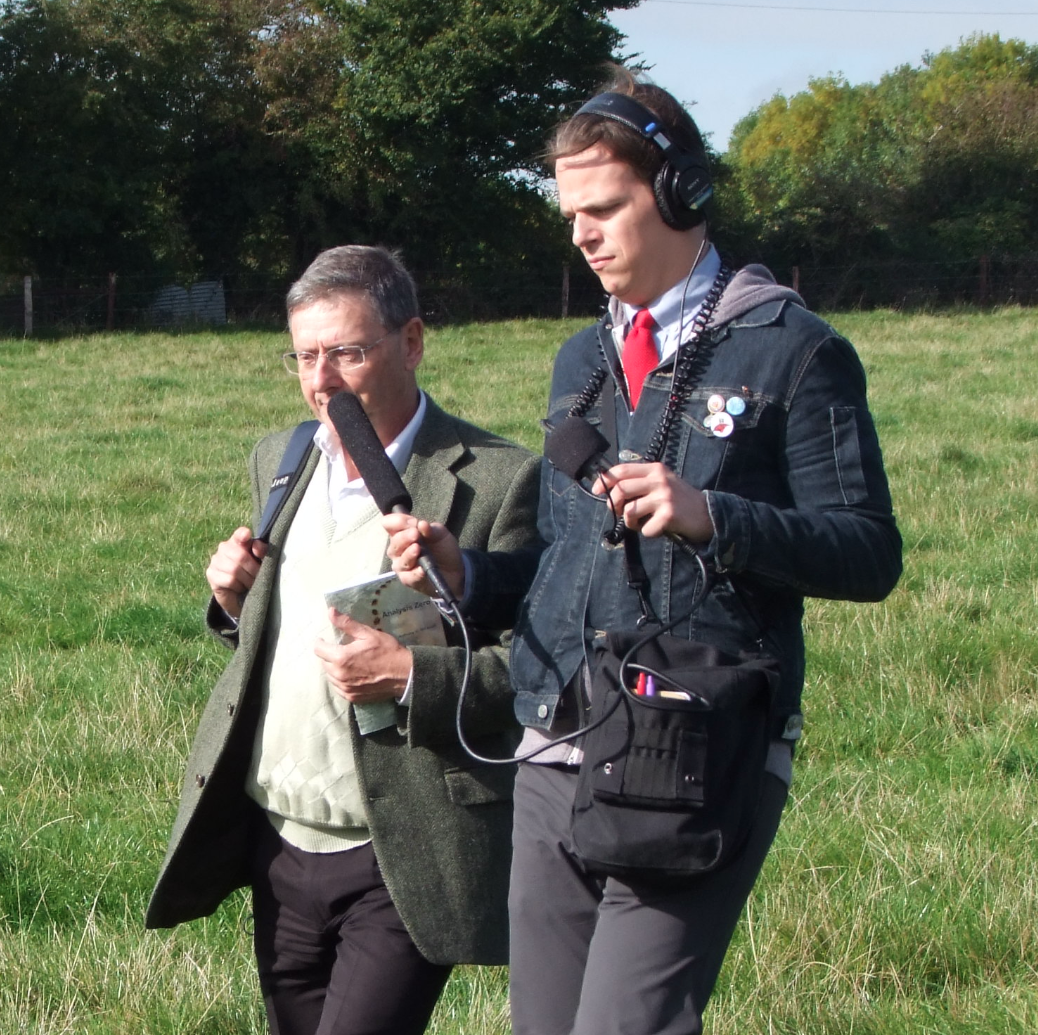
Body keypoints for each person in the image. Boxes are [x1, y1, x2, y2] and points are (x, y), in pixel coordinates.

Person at [391, 68, 902, 1035]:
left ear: (679, 194)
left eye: (603, 207)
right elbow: (561, 557)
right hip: (556, 737)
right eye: (569, 214)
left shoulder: (791, 349)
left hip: (697, 740)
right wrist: (472, 575)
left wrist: (715, 514)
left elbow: (868, 553)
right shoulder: (582, 360)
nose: (581, 234)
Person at [145, 245, 540, 1035]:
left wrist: (409, 675)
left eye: (348, 353)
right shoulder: (282, 459)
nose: (323, 379)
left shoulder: (498, 480)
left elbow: (541, 672)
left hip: (399, 849)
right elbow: (276, 632)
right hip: (278, 837)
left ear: (413, 341)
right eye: (305, 355)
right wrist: (233, 600)